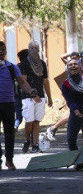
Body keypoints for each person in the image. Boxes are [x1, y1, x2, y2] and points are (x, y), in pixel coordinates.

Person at [0, 41, 38, 170]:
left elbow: (22, 82)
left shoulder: (11, 67)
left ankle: (9, 160)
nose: (1, 52)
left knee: (9, 133)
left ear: (5, 52)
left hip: (9, 104)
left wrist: (30, 91)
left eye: (3, 50)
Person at [19, 41, 53, 153]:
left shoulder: (42, 64)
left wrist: (49, 97)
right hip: (28, 97)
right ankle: (27, 140)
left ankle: (35, 145)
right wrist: (33, 95)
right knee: (29, 121)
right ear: (28, 50)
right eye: (31, 47)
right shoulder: (24, 63)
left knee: (37, 121)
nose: (34, 49)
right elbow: (23, 81)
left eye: (36, 47)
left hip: (41, 96)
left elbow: (45, 81)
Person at [14, 49, 29, 132]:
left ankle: (15, 126)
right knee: (26, 114)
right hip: (24, 94)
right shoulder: (27, 67)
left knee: (17, 112)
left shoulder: (15, 67)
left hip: (14, 93)